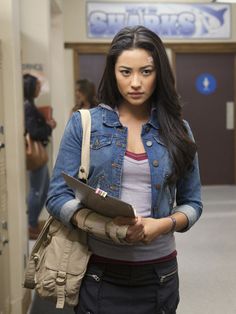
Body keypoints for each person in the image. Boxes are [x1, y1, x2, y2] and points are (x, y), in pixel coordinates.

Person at [46, 25, 202, 314]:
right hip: (98, 272)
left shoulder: (179, 130)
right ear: (112, 72)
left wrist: (163, 225)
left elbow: (193, 203)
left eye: (146, 71)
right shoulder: (84, 124)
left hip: (160, 274)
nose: (135, 83)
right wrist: (104, 227)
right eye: (125, 72)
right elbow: (56, 197)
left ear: (160, 74)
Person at [23, 73, 56, 240]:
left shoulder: (29, 105)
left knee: (43, 191)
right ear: (30, 88)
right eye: (36, 87)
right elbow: (34, 131)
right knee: (37, 191)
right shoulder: (27, 106)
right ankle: (31, 224)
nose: (39, 89)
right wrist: (48, 126)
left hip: (40, 155)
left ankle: (33, 223)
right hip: (36, 155)